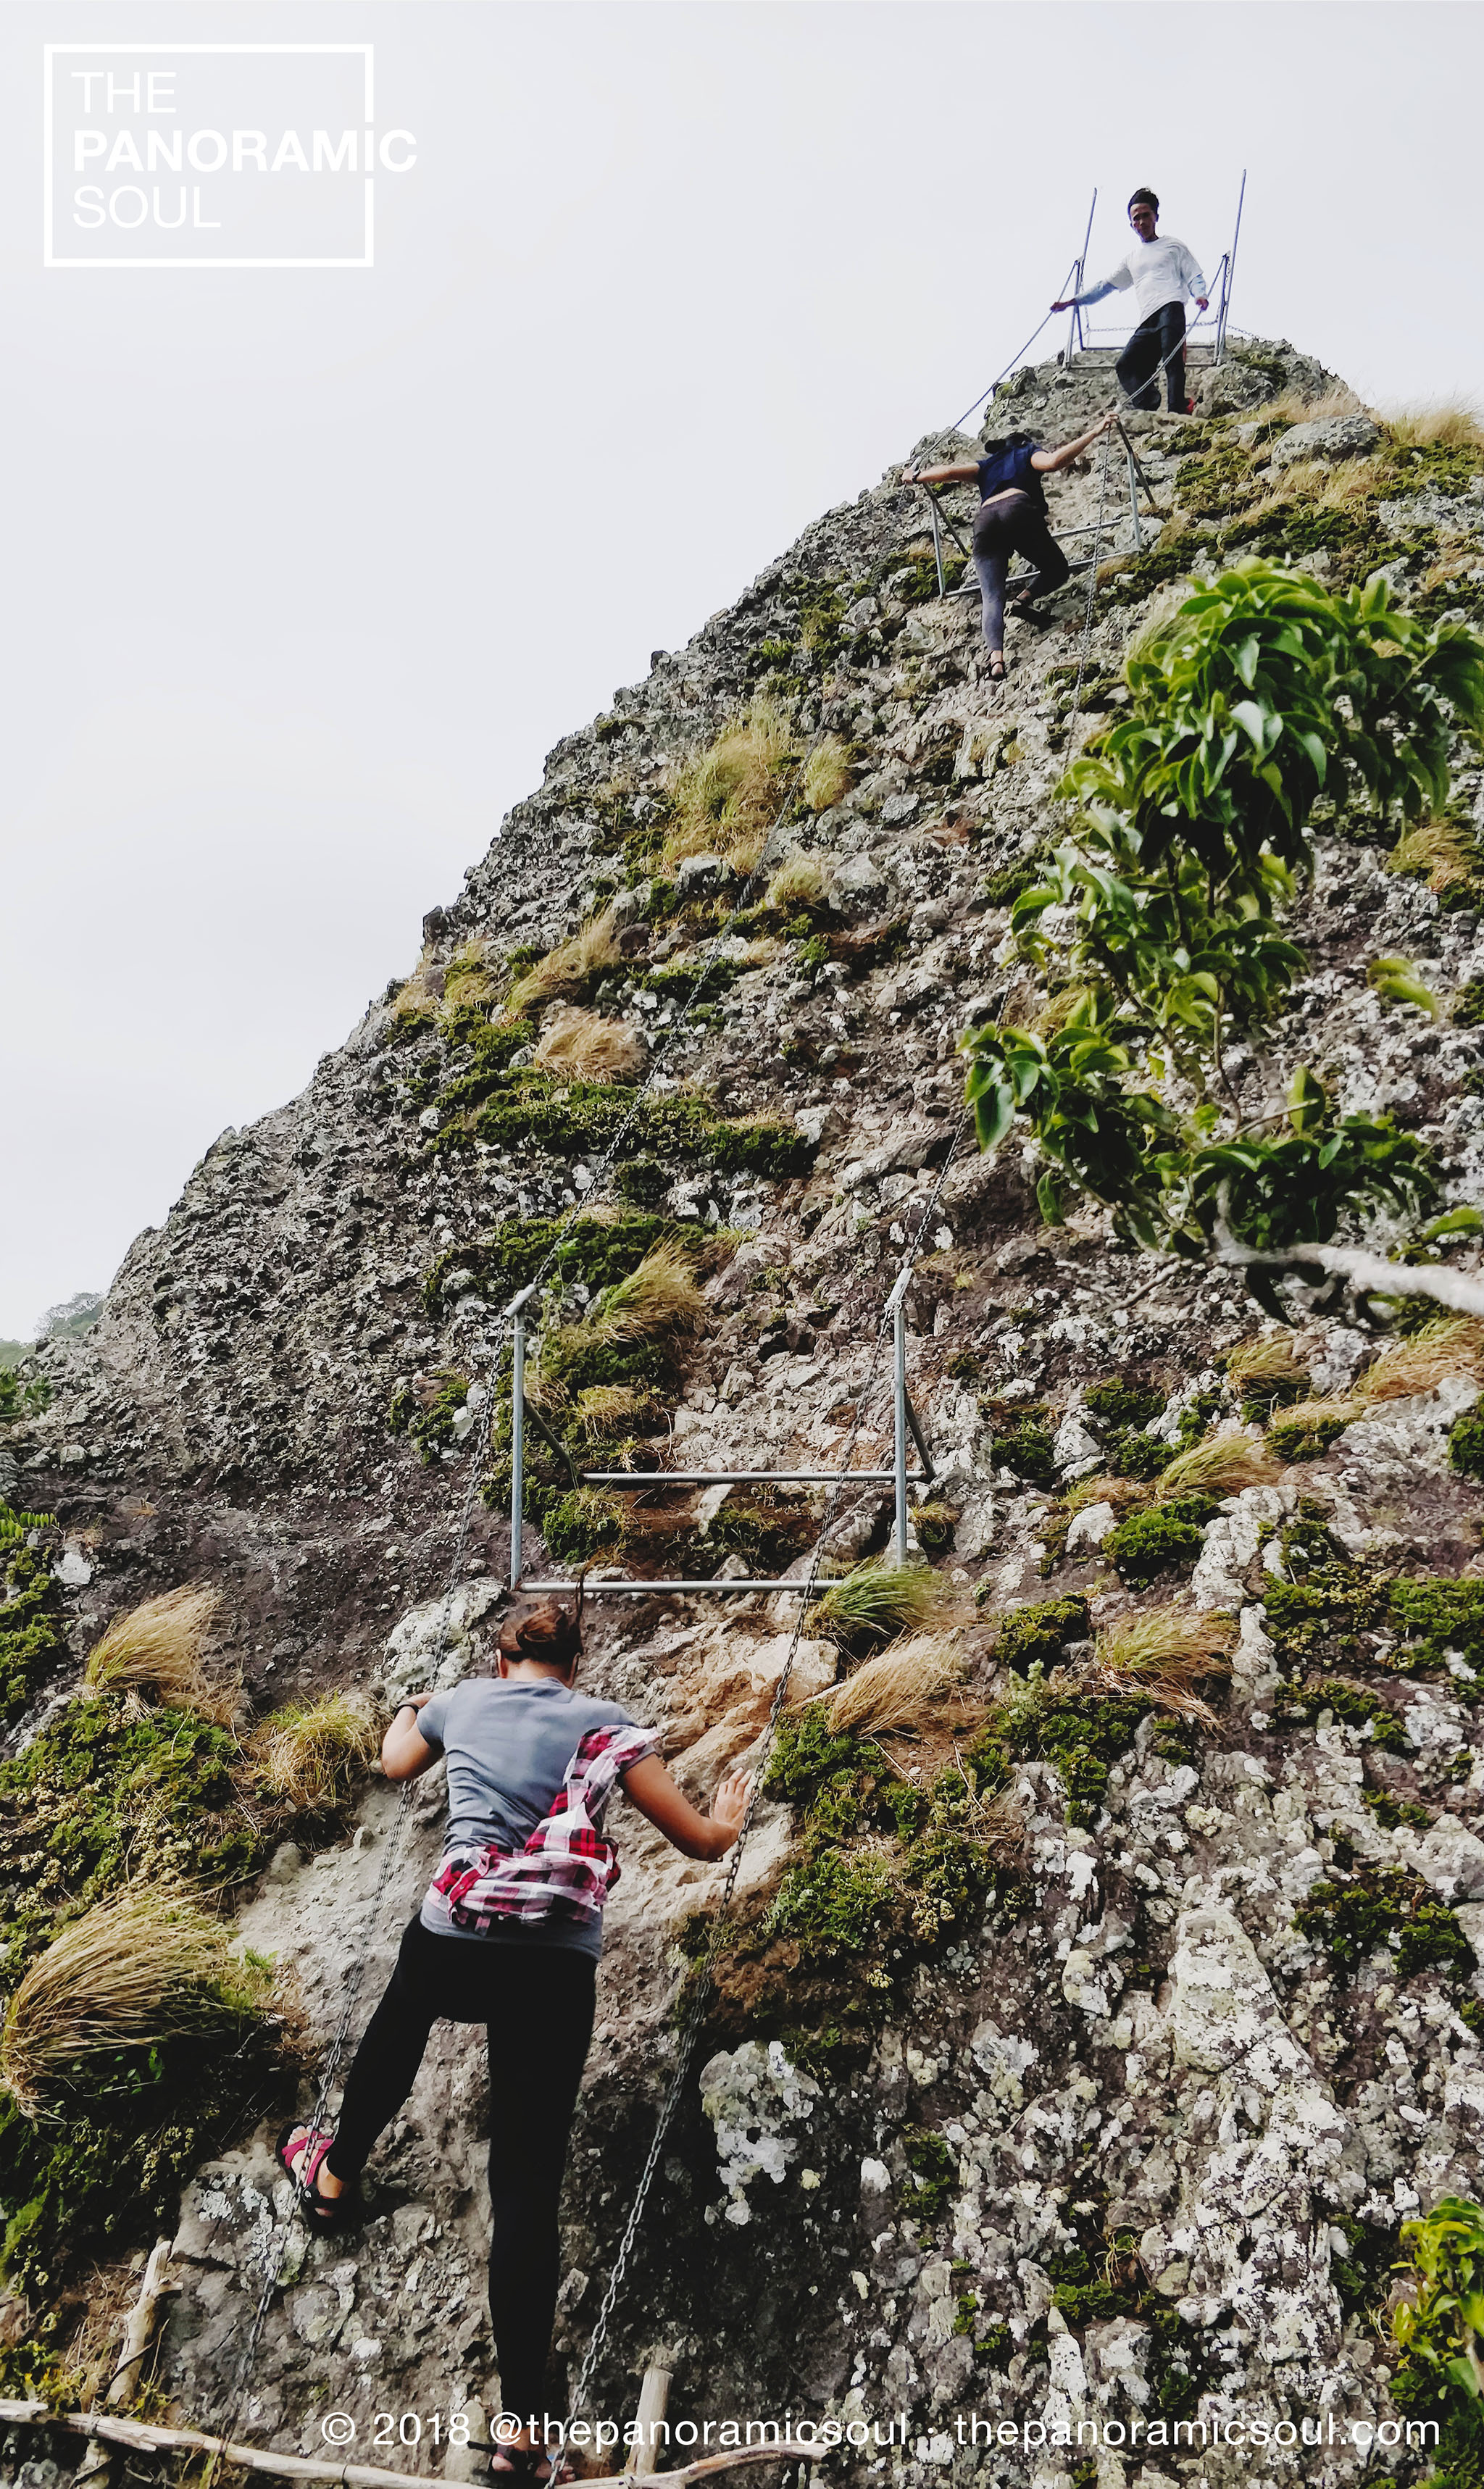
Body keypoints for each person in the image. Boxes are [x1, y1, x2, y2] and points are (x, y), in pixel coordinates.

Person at [276, 1594, 750, 2483]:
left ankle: (333, 2175)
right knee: (525, 2186)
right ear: (574, 1666)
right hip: (550, 1967)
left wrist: (412, 1707)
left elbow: (391, 1764)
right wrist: (727, 1817)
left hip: (456, 1940)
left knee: (401, 2021)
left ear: (503, 1658)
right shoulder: (606, 1726)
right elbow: (696, 1842)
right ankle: (522, 2436)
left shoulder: (461, 1701)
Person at [903, 411, 1115, 683]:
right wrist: (1095, 431)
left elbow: (947, 473)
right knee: (1057, 569)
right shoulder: (1027, 453)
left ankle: (996, 661)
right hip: (1018, 510)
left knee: (992, 597)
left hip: (986, 521)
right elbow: (1052, 463)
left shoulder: (986, 465)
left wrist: (916, 476)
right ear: (1024, 443)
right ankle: (1024, 598)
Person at [1052, 188, 1208, 414]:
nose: (1142, 221)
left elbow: (1193, 274)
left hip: (1171, 306)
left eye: (1146, 215)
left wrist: (1199, 295)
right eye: (1136, 218)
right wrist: (1072, 302)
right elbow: (1104, 287)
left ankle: (1177, 408)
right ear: (1131, 224)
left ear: (1156, 216)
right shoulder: (1132, 259)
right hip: (1148, 316)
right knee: (1125, 364)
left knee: (1172, 359)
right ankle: (1149, 402)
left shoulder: (1173, 246)